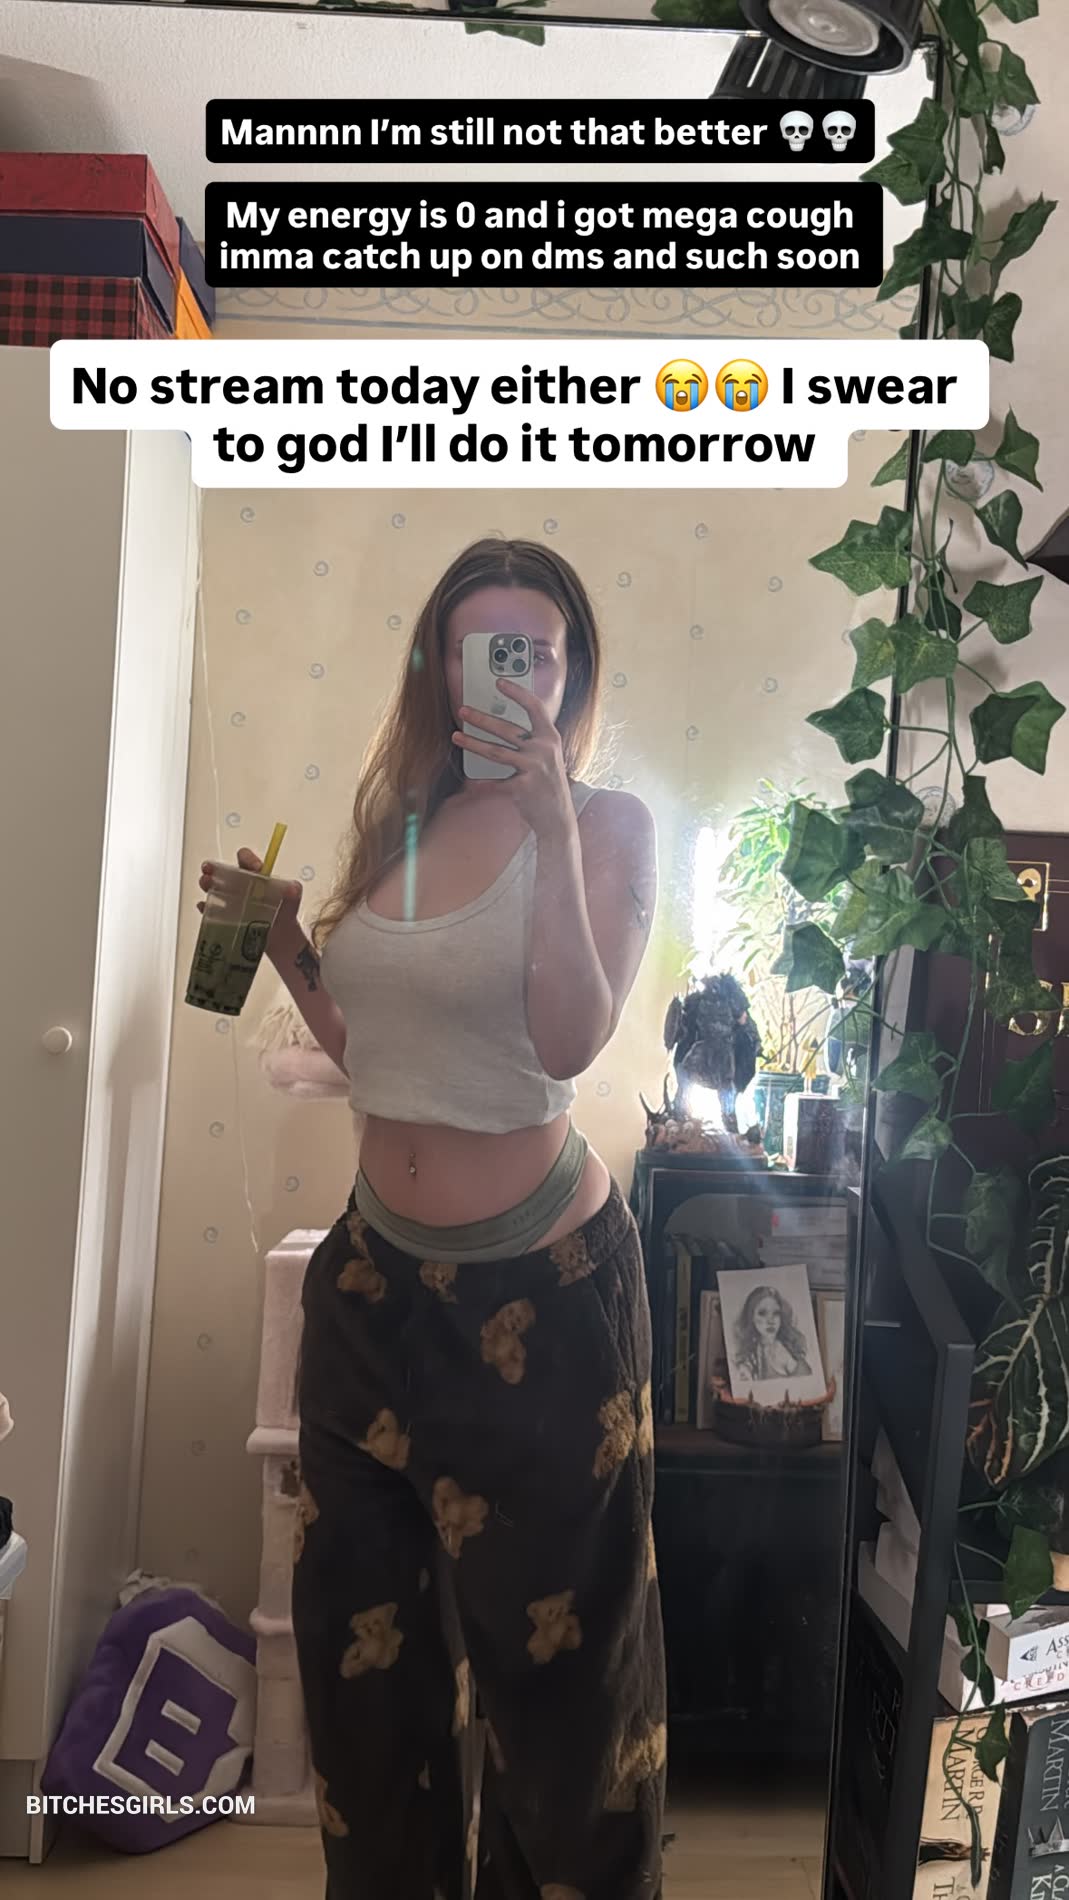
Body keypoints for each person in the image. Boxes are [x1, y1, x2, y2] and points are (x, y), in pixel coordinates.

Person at [202, 538, 664, 1900]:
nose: (510, 679)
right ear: (438, 666)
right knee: (366, 1694)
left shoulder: (609, 825)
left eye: (538, 653)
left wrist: (551, 825)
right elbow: (381, 1061)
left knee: (561, 1713)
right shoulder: (400, 821)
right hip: (371, 1293)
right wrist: (288, 945)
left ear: (570, 672)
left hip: (543, 1298)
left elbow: (567, 1043)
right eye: (481, 649)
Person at [732, 1285, 813, 1384]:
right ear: (751, 1317)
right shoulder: (750, 1356)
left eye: (776, 1313)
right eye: (762, 1313)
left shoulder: (787, 1349)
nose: (770, 1321)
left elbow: (809, 1382)